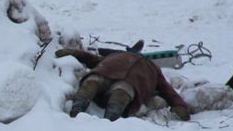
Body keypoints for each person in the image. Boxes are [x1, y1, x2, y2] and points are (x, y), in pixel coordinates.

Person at [56, 46, 190, 121]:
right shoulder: (116, 55)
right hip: (104, 73)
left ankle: (108, 123)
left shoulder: (153, 68)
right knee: (90, 83)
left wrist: (179, 105)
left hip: (130, 83)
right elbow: (92, 59)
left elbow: (166, 89)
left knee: (121, 94)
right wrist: (74, 52)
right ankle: (76, 113)